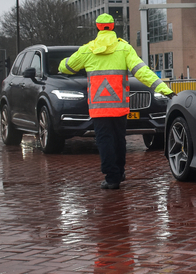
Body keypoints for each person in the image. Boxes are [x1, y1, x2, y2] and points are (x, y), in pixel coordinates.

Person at [59, 13, 175, 189]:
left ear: (97, 27)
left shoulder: (87, 50)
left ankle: (111, 177)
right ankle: (119, 172)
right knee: (119, 139)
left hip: (98, 107)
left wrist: (65, 61)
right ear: (113, 27)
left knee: (104, 140)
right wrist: (165, 90)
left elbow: (66, 67)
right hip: (119, 106)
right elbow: (143, 72)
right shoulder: (124, 48)